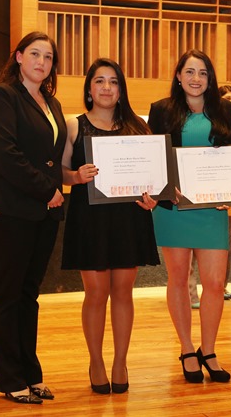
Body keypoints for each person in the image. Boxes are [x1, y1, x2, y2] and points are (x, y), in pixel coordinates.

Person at [61, 58, 160, 394]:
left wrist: (153, 197)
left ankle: (120, 361)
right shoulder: (74, 126)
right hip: (89, 219)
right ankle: (96, 362)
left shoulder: (138, 127)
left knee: (122, 291)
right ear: (89, 88)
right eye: (100, 81)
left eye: (113, 81)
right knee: (95, 292)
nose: (106, 87)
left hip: (128, 218)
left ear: (121, 90)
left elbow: (153, 177)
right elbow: (59, 172)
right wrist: (76, 176)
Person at [0, 31, 66, 404]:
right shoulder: (2, 96)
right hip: (8, 210)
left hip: (43, 212)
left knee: (29, 295)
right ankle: (11, 379)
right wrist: (47, 190)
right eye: (35, 54)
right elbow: (6, 155)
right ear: (18, 57)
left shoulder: (51, 103)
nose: (42, 62)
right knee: (8, 294)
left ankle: (31, 374)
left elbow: (51, 158)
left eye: (48, 57)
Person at [148, 49, 231, 383]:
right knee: (179, 278)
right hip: (174, 208)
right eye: (189, 72)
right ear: (178, 76)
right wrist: (164, 187)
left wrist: (230, 192)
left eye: (202, 73)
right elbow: (154, 157)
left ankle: (208, 350)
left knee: (214, 283)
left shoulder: (225, 110)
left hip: (212, 209)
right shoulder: (161, 110)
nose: (196, 79)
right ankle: (187, 349)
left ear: (210, 78)